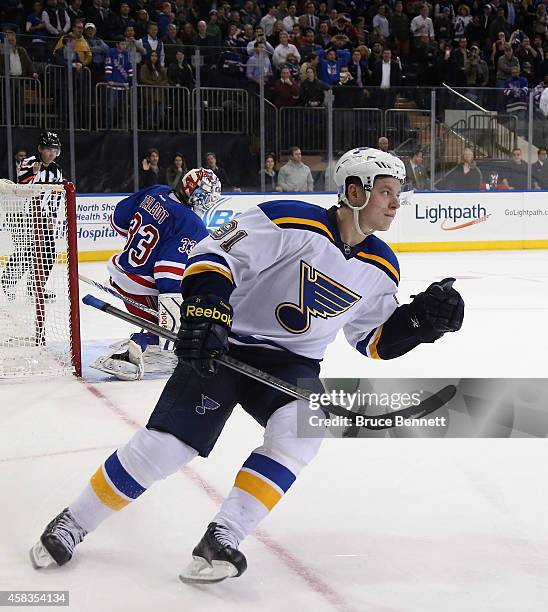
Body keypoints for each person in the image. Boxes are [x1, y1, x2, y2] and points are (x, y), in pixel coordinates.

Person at [29, 148, 464, 581]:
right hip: (226, 343)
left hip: (293, 365)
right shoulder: (286, 219)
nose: (395, 203)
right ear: (354, 191)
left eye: (397, 194)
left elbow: (372, 341)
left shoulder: (382, 266)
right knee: (166, 447)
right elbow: (212, 254)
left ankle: (223, 537)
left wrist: (420, 324)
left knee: (302, 432)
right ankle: (73, 522)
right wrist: (208, 310)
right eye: (386, 192)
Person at [90, 168, 220, 381]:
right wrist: (173, 327)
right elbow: (167, 275)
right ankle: (144, 345)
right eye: (205, 196)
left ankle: (152, 340)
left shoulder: (155, 191)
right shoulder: (192, 223)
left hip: (122, 274)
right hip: (141, 286)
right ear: (192, 191)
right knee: (192, 325)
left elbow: (118, 219)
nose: (206, 202)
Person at [1, 132, 64, 303]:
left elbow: (56, 194)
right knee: (27, 252)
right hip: (22, 214)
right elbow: (22, 184)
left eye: (55, 150)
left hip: (42, 216)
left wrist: (51, 215)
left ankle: (36, 288)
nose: (51, 154)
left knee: (49, 252)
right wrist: (33, 172)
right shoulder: (28, 162)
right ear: (40, 149)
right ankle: (8, 280)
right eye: (48, 150)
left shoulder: (56, 170)